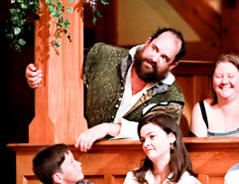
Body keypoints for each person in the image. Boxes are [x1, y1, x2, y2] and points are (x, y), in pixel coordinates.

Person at [25, 27, 186, 150]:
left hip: (130, 168)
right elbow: (62, 67)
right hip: (72, 153)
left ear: (173, 65)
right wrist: (37, 75)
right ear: (148, 42)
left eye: (164, 57)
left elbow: (159, 133)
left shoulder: (172, 96)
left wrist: (109, 128)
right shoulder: (103, 55)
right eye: (154, 49)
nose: (154, 58)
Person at [190, 54, 239, 137]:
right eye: (219, 76)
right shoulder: (202, 108)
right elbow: (198, 148)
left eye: (231, 76)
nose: (224, 81)